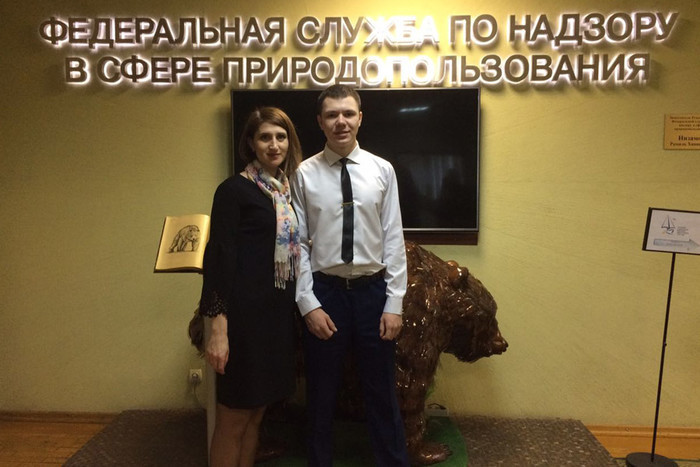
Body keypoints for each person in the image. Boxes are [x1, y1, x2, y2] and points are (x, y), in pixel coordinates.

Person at [291, 84, 410, 467]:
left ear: (360, 117)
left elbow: (393, 238)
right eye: (332, 115)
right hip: (326, 295)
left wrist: (394, 303)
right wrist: (308, 304)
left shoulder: (382, 170)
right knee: (321, 393)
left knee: (381, 392)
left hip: (373, 294)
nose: (340, 121)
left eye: (347, 113)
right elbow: (298, 244)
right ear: (320, 122)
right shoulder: (303, 174)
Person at [198, 107, 302, 467]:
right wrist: (218, 329)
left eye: (280, 136)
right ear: (251, 143)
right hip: (243, 322)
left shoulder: (284, 193)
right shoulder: (233, 190)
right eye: (265, 137)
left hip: (274, 320)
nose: (274, 145)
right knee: (233, 418)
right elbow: (218, 260)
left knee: (257, 413)